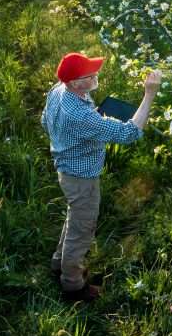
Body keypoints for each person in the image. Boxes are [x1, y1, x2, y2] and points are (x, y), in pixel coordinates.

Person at [41, 52, 162, 302]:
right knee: (82, 230)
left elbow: (45, 120)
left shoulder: (58, 91)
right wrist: (149, 93)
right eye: (90, 74)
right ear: (75, 83)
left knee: (74, 217)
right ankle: (73, 286)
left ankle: (58, 263)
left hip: (67, 169)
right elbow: (129, 134)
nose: (96, 75)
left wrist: (80, 132)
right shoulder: (80, 116)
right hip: (81, 178)